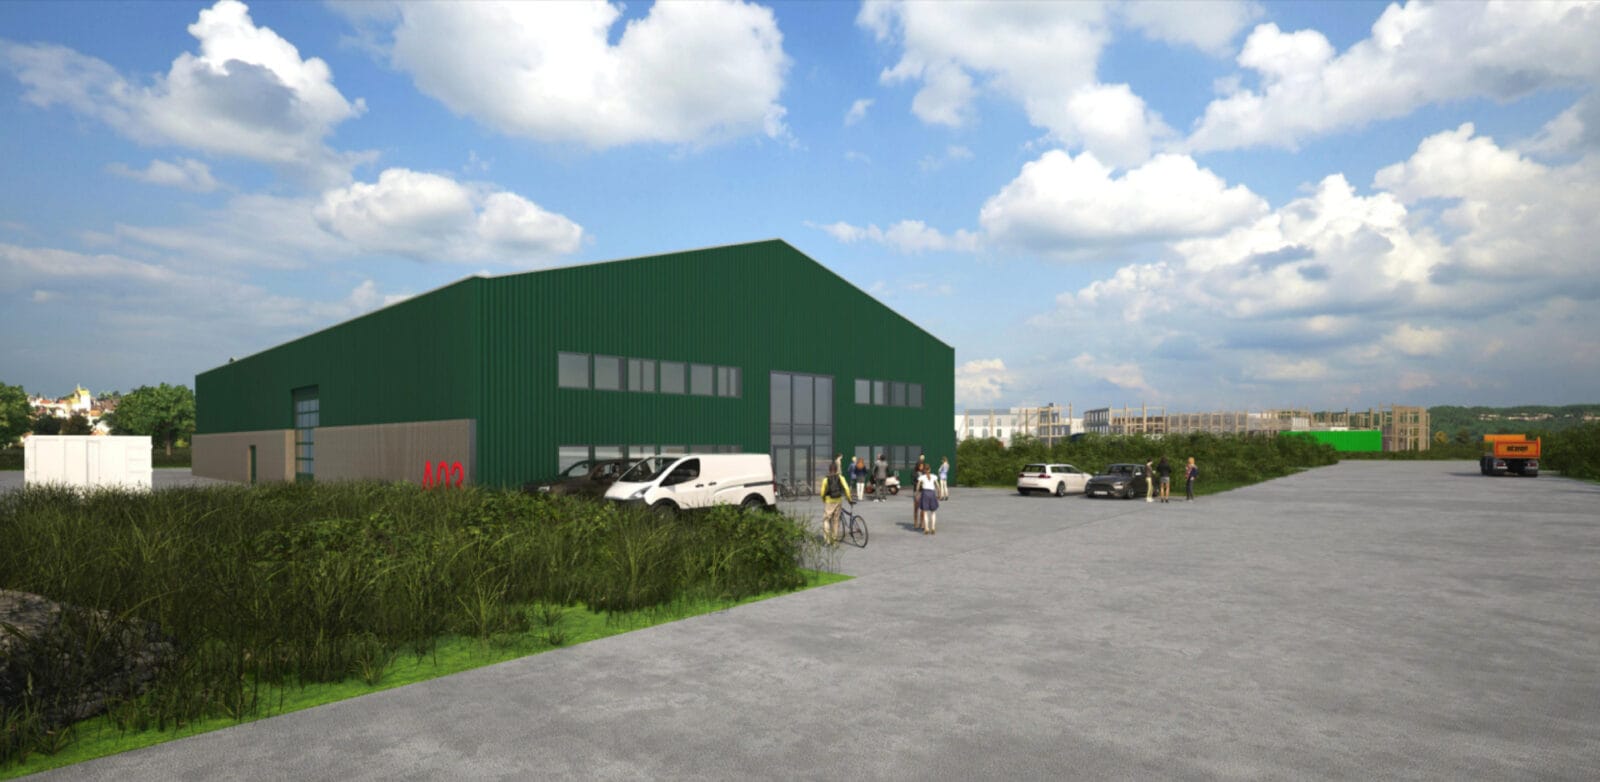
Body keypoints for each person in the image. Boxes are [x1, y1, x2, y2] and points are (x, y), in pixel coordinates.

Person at [819, 462, 854, 545]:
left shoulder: (825, 479)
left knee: (826, 519)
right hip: (838, 500)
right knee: (836, 520)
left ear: (829, 470)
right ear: (837, 470)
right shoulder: (841, 477)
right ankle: (834, 540)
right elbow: (846, 488)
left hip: (829, 501)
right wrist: (849, 499)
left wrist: (823, 499)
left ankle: (827, 540)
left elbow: (822, 492)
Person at [917, 465, 940, 534]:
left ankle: (926, 528)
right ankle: (933, 528)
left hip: (925, 493)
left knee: (925, 512)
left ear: (924, 470)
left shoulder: (922, 477)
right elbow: (937, 485)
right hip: (932, 493)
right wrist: (939, 493)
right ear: (930, 469)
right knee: (933, 512)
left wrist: (917, 493)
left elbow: (918, 486)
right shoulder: (934, 476)